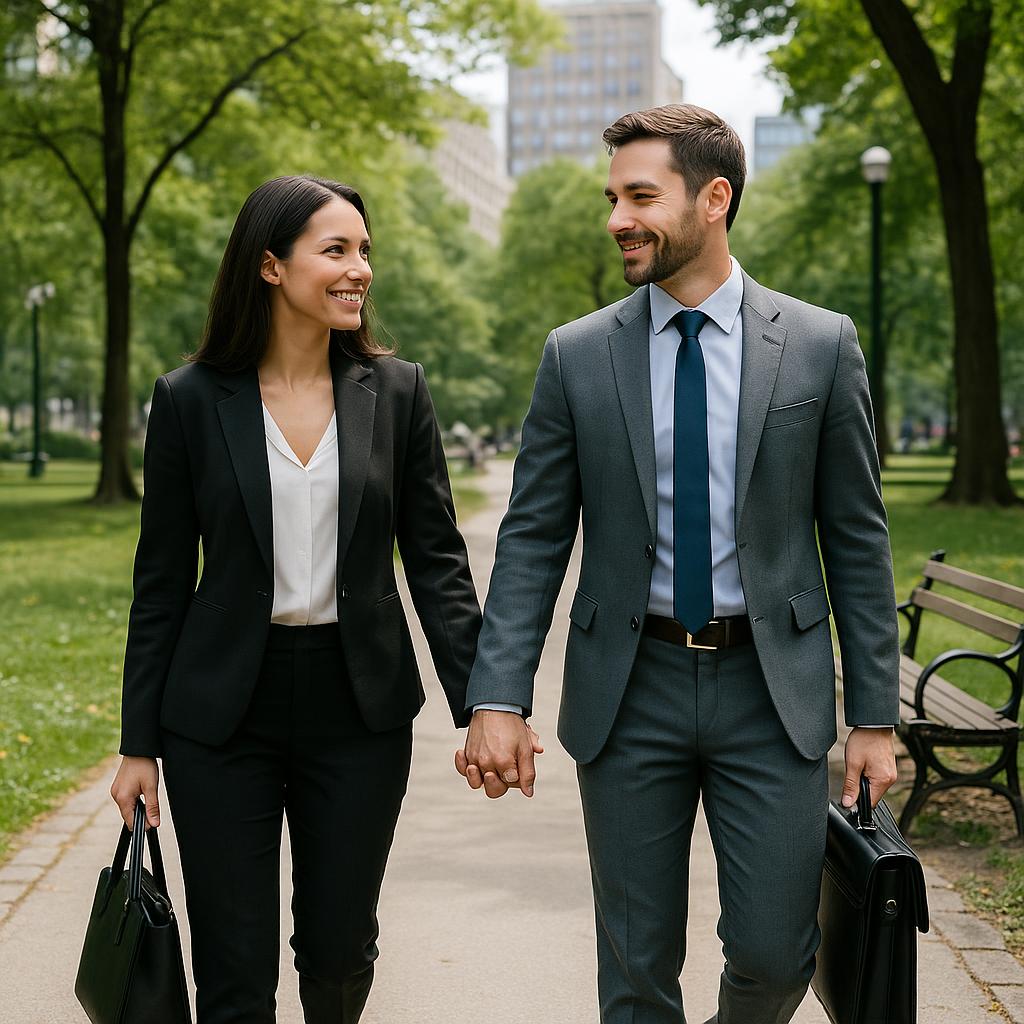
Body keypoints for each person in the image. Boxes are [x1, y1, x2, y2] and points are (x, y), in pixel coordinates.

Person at [457, 104, 900, 1024]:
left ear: (714, 199)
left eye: (641, 196)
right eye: (612, 196)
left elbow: (856, 539)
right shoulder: (577, 356)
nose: (617, 217)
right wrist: (497, 697)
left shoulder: (819, 345)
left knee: (779, 960)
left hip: (771, 695)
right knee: (635, 971)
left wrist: (871, 718)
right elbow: (535, 536)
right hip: (629, 691)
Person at [110, 175, 481, 1024]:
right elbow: (160, 583)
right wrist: (137, 744)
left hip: (357, 711)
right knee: (234, 969)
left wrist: (484, 704)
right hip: (218, 720)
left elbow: (436, 561)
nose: (361, 271)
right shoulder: (191, 400)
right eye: (337, 250)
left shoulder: (398, 393)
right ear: (271, 266)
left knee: (340, 948)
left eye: (365, 252)